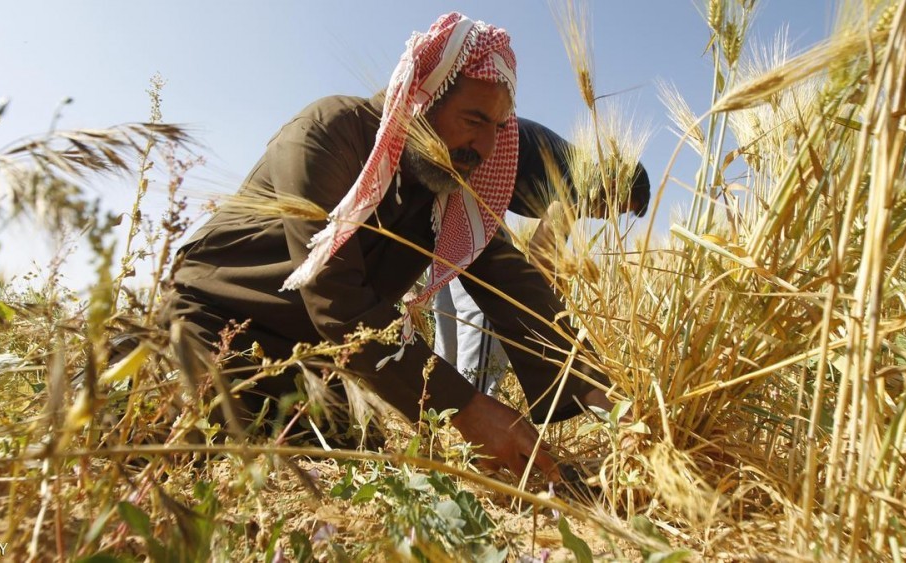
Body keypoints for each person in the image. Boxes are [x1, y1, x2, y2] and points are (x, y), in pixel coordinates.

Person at [164, 12, 610, 481]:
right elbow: (336, 297)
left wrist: (601, 396)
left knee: (366, 461)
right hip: (213, 332)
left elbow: (513, 287)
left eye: (497, 127)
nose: (483, 145)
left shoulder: (452, 189)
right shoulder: (328, 133)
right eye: (473, 119)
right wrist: (466, 407)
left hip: (311, 362)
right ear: (421, 101)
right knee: (198, 457)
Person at [434, 123, 650, 396]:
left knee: (447, 305)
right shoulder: (579, 182)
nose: (608, 216)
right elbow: (538, 259)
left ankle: (436, 406)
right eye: (617, 206)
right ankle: (477, 405)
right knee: (491, 303)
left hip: (448, 171)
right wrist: (552, 318)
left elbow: (547, 260)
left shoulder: (573, 170)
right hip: (472, 177)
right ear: (615, 183)